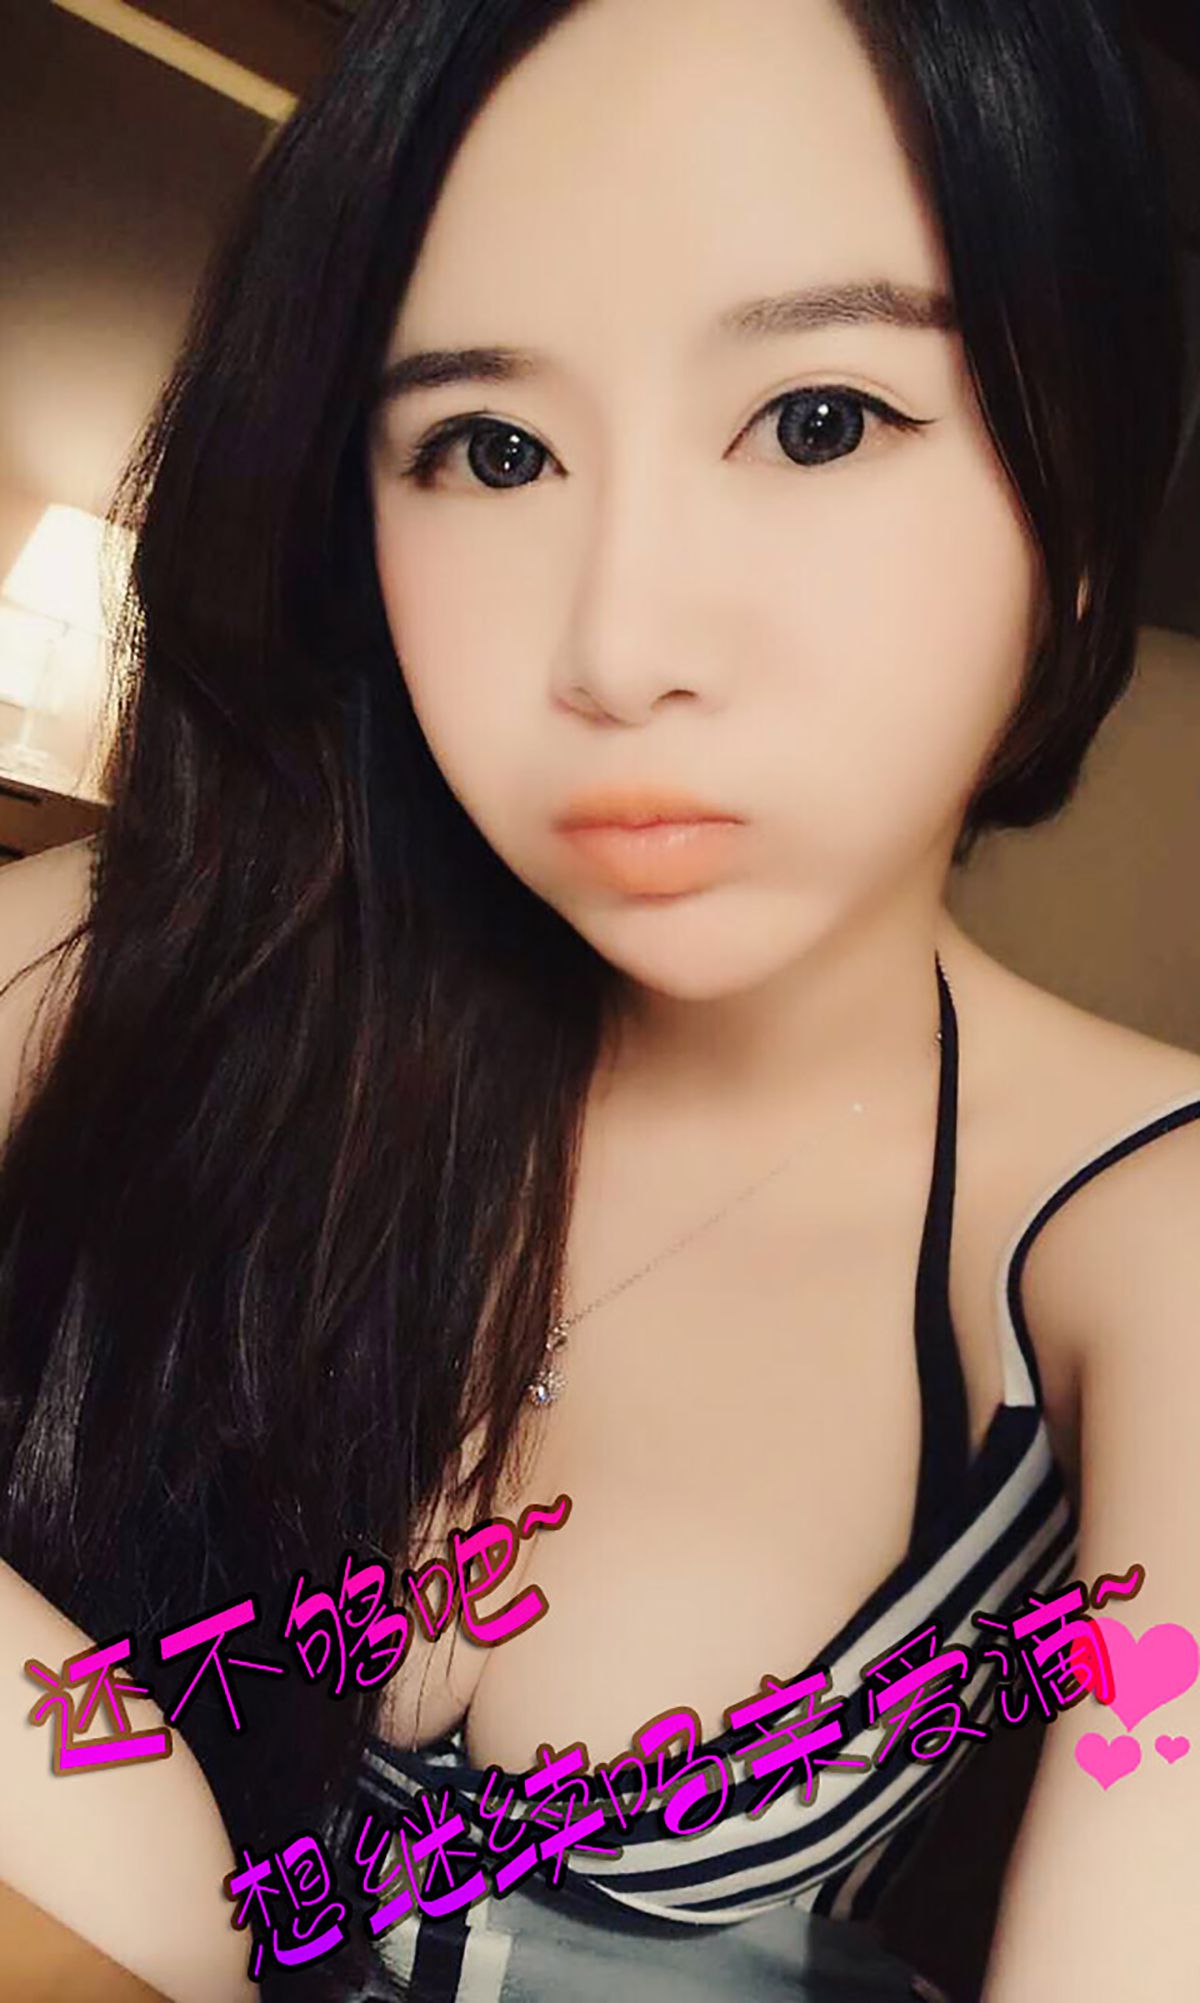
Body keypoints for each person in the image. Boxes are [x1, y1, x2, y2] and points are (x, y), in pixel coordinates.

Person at [1, 1, 1197, 1998]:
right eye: (492, 449)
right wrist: (107, 1812)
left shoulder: (1142, 1229)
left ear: (1078, 492)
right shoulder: (202, 957)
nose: (620, 647)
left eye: (820, 419)